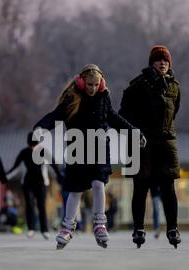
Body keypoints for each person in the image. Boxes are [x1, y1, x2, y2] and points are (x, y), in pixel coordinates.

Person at [34, 64, 145, 249]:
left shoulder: (104, 97)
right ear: (82, 81)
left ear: (101, 83)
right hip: (77, 149)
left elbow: (114, 118)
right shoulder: (72, 97)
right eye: (89, 84)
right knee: (75, 190)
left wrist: (134, 132)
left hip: (99, 148)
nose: (93, 88)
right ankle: (67, 227)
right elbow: (55, 115)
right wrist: (39, 128)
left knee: (98, 184)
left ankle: (100, 224)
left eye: (96, 84)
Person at [119, 45, 182, 248]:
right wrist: (136, 131)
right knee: (140, 187)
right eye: (158, 60)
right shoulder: (137, 86)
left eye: (166, 60)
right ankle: (139, 229)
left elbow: (174, 112)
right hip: (142, 142)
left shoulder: (175, 87)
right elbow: (123, 114)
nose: (163, 63)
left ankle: (172, 228)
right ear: (151, 63)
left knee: (168, 188)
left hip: (166, 143)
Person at [7, 132, 63, 239]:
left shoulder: (43, 151)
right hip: (27, 182)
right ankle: (31, 228)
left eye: (34, 145)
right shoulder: (24, 152)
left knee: (41, 205)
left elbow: (54, 164)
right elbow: (16, 167)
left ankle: (44, 230)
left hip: (41, 182)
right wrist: (5, 176)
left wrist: (60, 175)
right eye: (31, 145)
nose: (33, 147)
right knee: (29, 204)